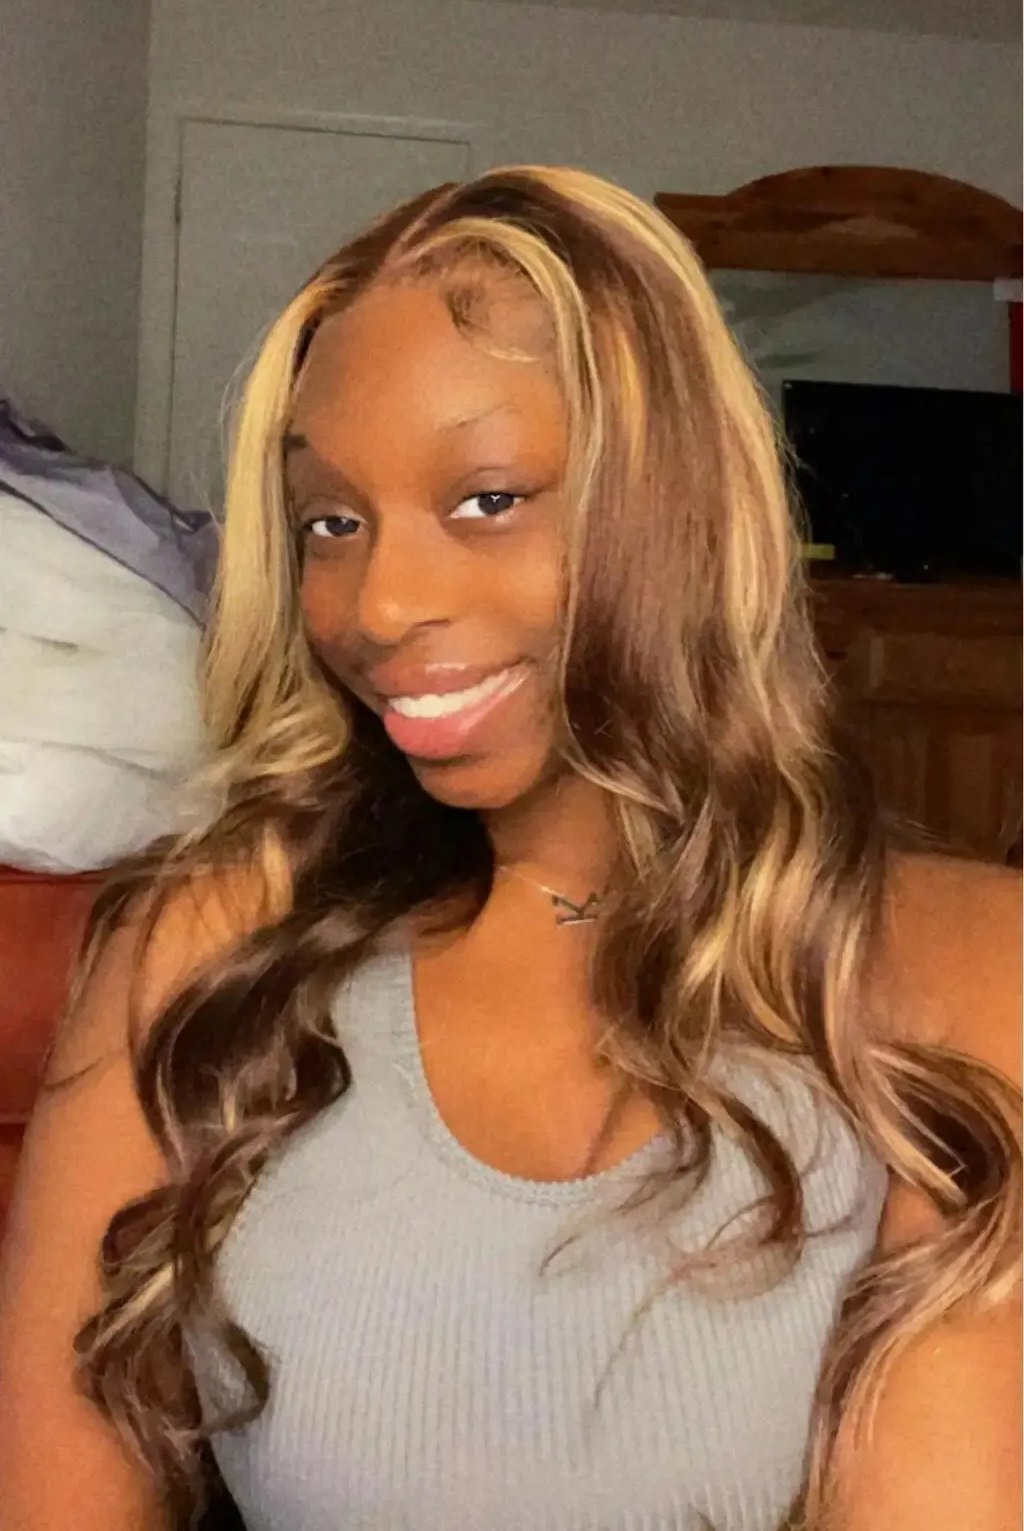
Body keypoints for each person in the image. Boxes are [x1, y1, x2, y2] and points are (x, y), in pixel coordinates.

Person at [0, 168, 1018, 1531]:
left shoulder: (968, 971)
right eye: (330, 522)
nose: (378, 605)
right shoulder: (201, 951)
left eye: (487, 498)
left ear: (685, 504)